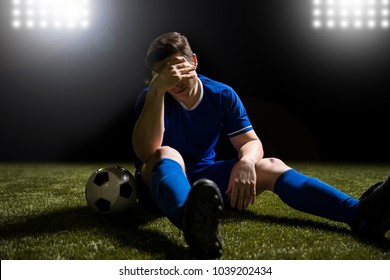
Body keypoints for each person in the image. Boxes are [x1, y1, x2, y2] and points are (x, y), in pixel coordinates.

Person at [132, 31, 390, 259]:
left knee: (270, 165)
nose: (172, 77)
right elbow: (146, 153)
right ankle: (193, 225)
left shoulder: (221, 94)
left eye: (176, 65)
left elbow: (250, 142)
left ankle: (360, 215)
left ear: (194, 61)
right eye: (162, 71)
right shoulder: (153, 96)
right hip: (157, 188)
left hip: (206, 188)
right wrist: (156, 91)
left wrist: (246, 162)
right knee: (167, 152)